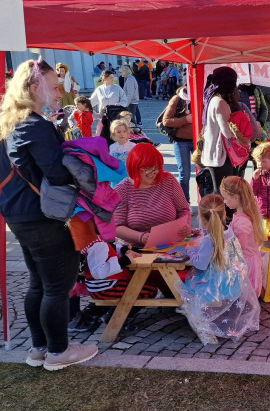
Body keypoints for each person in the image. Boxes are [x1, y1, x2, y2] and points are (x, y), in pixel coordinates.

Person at [0, 58, 99, 370]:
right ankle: (58, 352)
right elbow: (56, 175)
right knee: (56, 286)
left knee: (39, 284)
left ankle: (39, 348)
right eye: (55, 88)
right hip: (45, 216)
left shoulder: (9, 123)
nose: (61, 93)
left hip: (18, 215)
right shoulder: (37, 126)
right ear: (34, 87)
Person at [177, 194, 260, 345]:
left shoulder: (209, 240)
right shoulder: (228, 231)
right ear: (223, 213)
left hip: (213, 287)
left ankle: (204, 329)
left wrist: (190, 249)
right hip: (232, 284)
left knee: (184, 289)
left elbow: (200, 265)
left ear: (201, 218)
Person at [113, 143, 191, 247]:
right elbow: (116, 227)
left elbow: (184, 209)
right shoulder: (122, 190)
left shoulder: (168, 180)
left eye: (156, 168)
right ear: (134, 167)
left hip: (170, 244)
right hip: (136, 249)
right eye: (147, 169)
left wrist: (185, 224)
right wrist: (140, 237)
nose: (153, 172)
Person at [220, 176, 265, 296]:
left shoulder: (242, 221)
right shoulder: (242, 216)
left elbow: (240, 246)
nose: (224, 202)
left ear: (235, 197)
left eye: (225, 198)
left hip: (245, 262)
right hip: (246, 260)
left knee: (244, 294)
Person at [201, 67, 240, 194]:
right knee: (224, 194)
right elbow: (227, 132)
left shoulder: (211, 99)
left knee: (218, 193)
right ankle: (225, 215)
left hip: (212, 153)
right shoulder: (220, 103)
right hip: (221, 155)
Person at [162, 87, 195, 203]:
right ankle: (185, 203)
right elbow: (166, 121)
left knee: (204, 173)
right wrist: (185, 119)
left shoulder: (202, 98)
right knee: (185, 175)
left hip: (199, 141)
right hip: (181, 141)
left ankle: (205, 203)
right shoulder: (177, 99)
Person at [89, 70, 127, 136]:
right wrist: (82, 103)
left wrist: (119, 104)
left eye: (113, 77)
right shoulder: (99, 89)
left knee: (115, 135)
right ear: (104, 78)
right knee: (102, 135)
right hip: (103, 117)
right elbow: (92, 101)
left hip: (116, 116)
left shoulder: (117, 88)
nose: (113, 79)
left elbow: (124, 101)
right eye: (111, 77)